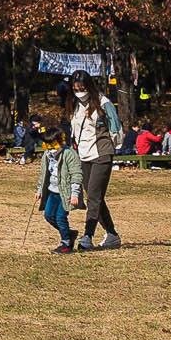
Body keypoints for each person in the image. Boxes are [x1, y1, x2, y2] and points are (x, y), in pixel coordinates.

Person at [65, 73, 123, 250]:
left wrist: (115, 147)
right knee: (94, 196)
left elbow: (116, 128)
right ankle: (112, 234)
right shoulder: (74, 105)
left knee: (94, 196)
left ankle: (87, 236)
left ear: (89, 86)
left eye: (82, 89)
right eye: (75, 89)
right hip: (82, 154)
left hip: (101, 153)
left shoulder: (103, 102)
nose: (79, 92)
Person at [36, 139, 79, 252]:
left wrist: (75, 194)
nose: (52, 151)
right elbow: (44, 173)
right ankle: (69, 233)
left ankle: (66, 243)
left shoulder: (69, 154)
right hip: (53, 191)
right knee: (49, 215)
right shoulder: (47, 155)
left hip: (66, 192)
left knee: (60, 217)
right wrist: (40, 189)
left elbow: (76, 174)